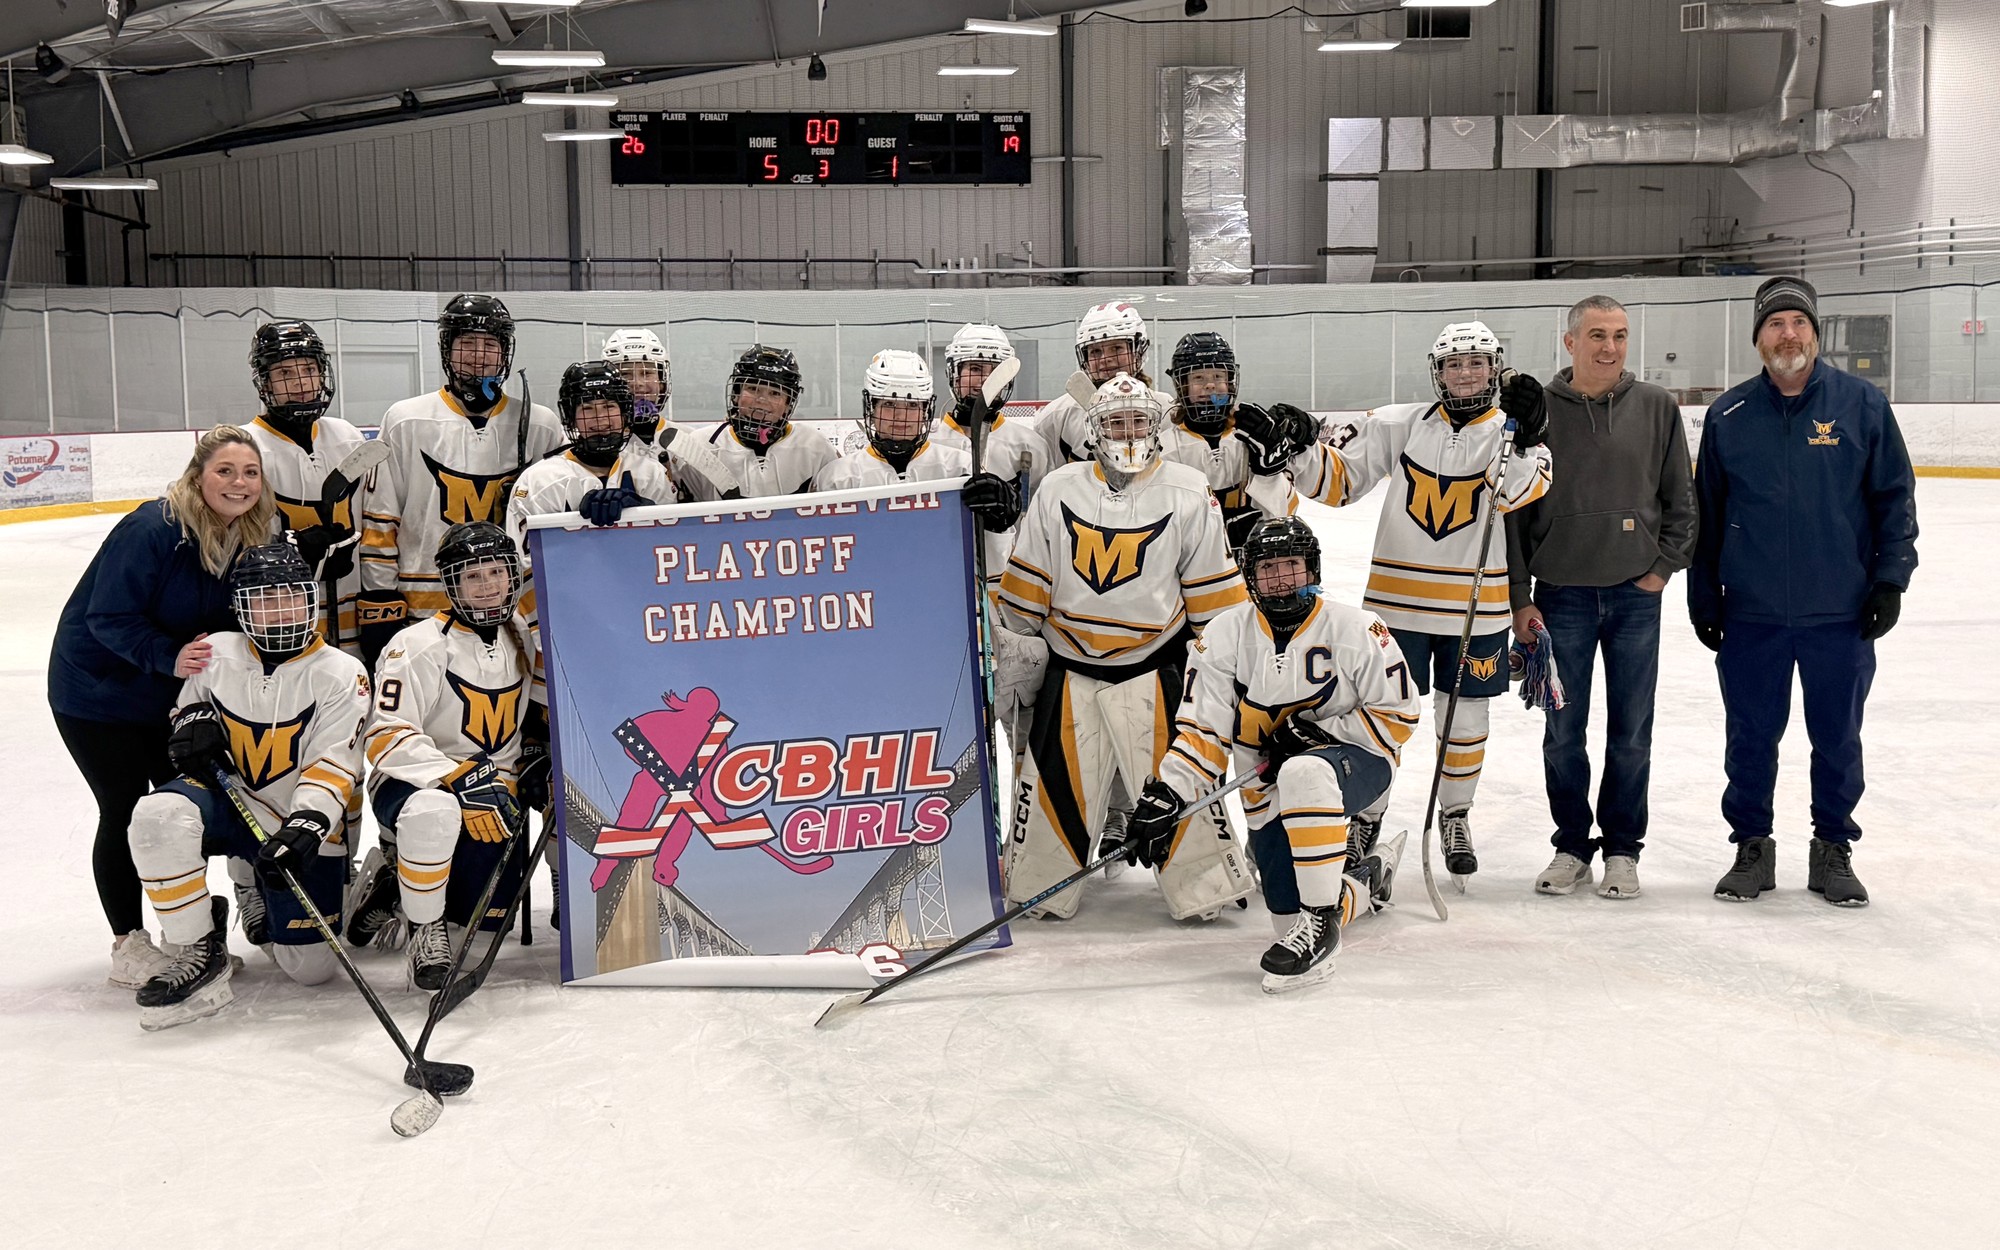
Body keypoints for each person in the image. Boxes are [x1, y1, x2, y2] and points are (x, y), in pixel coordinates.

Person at [1692, 275, 1918, 908]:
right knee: (1750, 737)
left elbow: (1895, 499)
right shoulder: (1729, 415)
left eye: (1799, 323)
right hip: (1753, 612)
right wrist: (1704, 594)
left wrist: (1890, 580)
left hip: (1840, 612)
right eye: (1775, 324)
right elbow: (1707, 515)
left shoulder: (1862, 404)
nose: (1788, 334)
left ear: (1815, 334)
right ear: (1758, 339)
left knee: (1838, 738)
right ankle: (1752, 848)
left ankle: (1833, 850)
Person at [1298, 321, 1551, 885]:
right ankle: (1366, 816)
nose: (1466, 374)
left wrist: (1528, 436)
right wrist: (1297, 451)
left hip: (1477, 611)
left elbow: (1518, 492)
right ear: (1438, 373)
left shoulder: (1512, 435)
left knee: (1465, 719)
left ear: (1495, 368)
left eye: (1477, 363)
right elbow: (1339, 484)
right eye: (1454, 364)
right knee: (1378, 716)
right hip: (1396, 609)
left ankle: (1455, 816)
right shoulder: (1400, 424)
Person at [995, 373, 1254, 922]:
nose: (1129, 431)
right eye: (1116, 421)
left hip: (1153, 668)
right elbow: (1027, 590)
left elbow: (1214, 605)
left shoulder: (1188, 489)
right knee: (1054, 795)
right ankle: (1042, 887)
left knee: (1176, 786)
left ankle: (1204, 887)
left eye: (1139, 420)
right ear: (1094, 430)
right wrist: (1014, 645)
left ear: (1156, 427)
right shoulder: (1058, 488)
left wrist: (1219, 673)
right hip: (1069, 668)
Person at [1132, 517, 1419, 992]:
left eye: (1291, 565)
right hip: (1264, 790)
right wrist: (1169, 792)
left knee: (1304, 772)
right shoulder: (1222, 636)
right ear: (1250, 576)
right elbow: (1203, 730)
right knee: (1288, 917)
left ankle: (1323, 925)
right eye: (1268, 569)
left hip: (1359, 767)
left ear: (1313, 569)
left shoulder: (1357, 628)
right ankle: (1365, 883)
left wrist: (1318, 733)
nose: (1281, 579)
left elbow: (1400, 715)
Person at [49, 426, 278, 990]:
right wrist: (168, 655)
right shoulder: (154, 529)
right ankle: (128, 942)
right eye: (225, 470)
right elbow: (107, 616)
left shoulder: (246, 533)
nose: (239, 482)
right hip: (99, 692)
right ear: (198, 475)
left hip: (169, 695)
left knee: (183, 811)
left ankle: (189, 933)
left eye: (250, 472)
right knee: (125, 809)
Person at [124, 542, 371, 1029]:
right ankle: (200, 945)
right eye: (264, 599)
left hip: (294, 821)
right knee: (157, 816)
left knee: (311, 971)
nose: (280, 610)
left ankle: (284, 883)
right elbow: (186, 709)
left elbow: (334, 763)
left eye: (291, 597)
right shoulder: (217, 652)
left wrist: (305, 827)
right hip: (229, 804)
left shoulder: (344, 673)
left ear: (310, 599)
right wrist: (190, 725)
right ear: (240, 608)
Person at [1506, 295, 1696, 901]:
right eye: (1596, 335)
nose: (1609, 347)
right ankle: (1571, 846)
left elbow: (1681, 499)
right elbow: (1513, 513)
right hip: (1560, 598)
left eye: (1618, 335)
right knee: (1563, 732)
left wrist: (1661, 569)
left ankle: (1621, 849)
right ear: (1570, 342)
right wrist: (1519, 597)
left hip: (1635, 598)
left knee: (1631, 731)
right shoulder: (1538, 412)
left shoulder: (1657, 406)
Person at [355, 523, 542, 988]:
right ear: (451, 584)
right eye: (472, 576)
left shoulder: (520, 633)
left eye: (496, 572)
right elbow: (384, 735)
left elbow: (531, 715)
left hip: (492, 789)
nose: (488, 585)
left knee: (483, 930)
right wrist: (456, 777)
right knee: (434, 813)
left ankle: (396, 886)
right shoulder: (416, 644)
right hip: (417, 784)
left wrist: (535, 755)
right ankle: (424, 926)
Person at [358, 293, 563, 666]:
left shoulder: (541, 425)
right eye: (467, 343)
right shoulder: (405, 420)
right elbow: (381, 520)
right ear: (447, 350)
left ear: (505, 353)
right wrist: (380, 599)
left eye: (490, 345)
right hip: (423, 613)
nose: (478, 355)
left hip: (513, 612)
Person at [241, 320, 371, 652]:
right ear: (264, 382)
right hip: (281, 618)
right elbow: (226, 539)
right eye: (285, 373)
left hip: (351, 609)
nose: (301, 382)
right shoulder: (244, 447)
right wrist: (288, 547)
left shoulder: (347, 436)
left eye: (309, 370)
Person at [1158, 330, 1311, 552]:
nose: (1210, 385)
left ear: (1230, 382)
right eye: (1198, 378)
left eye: (1218, 377)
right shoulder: (1166, 448)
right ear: (1182, 385)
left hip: (1253, 561)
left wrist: (1269, 472)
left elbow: (1283, 514)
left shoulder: (1252, 437)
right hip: (1192, 563)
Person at [931, 323, 1054, 597]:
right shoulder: (931, 443)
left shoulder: (1030, 445)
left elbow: (1045, 522)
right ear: (954, 373)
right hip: (942, 580)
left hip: (1010, 585)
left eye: (994, 371)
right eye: (975, 369)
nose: (985, 380)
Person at [683, 344, 833, 500]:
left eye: (775, 393)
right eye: (753, 389)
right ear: (736, 394)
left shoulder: (815, 446)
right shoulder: (701, 445)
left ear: (788, 404)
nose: (762, 400)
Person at [600, 326, 734, 500]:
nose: (637, 383)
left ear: (662, 382)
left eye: (647, 373)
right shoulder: (601, 446)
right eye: (626, 375)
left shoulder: (690, 438)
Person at [1037, 302, 1177, 466]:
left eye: (1116, 348)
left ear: (1138, 351)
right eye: (1095, 351)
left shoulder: (1166, 410)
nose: (1105, 359)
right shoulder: (1057, 416)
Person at [814, 349, 971, 489]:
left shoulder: (961, 468)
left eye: (912, 405)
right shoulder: (837, 478)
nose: (901, 416)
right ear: (871, 410)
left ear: (925, 412)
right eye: (889, 404)